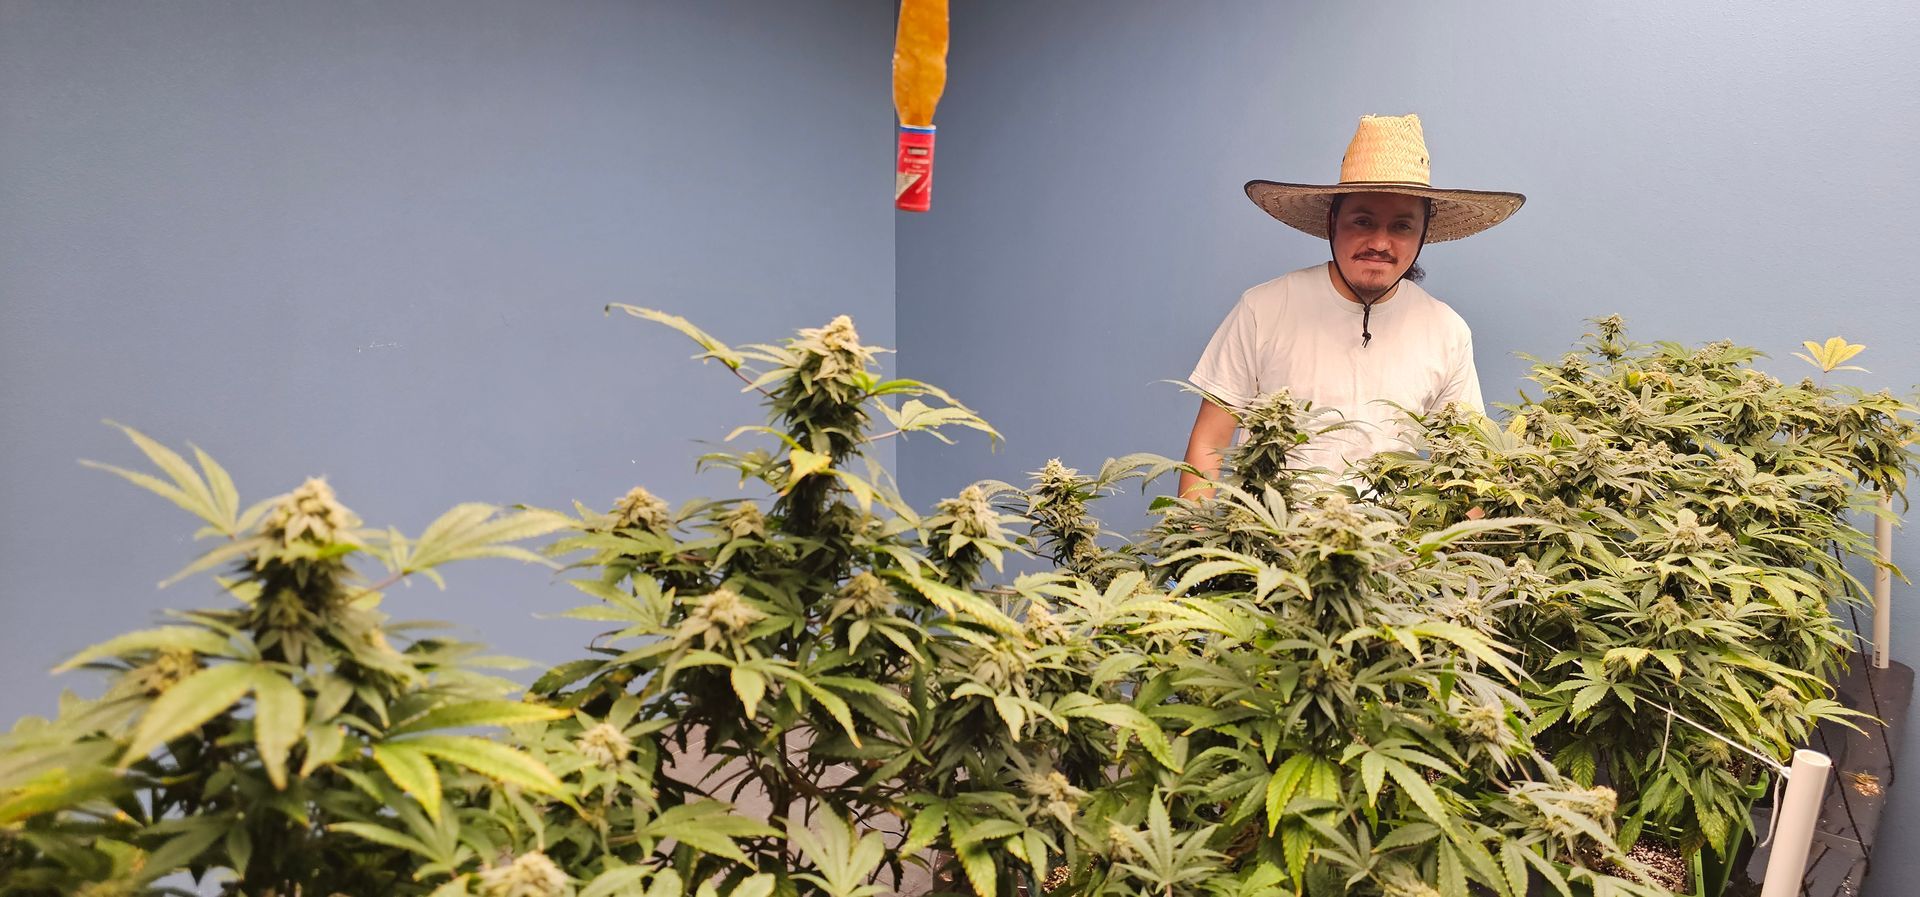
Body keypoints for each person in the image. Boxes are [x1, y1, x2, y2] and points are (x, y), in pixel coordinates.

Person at [1177, 113, 1525, 498]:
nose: (1380, 242)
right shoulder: (1264, 308)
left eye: (1401, 226)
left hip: (1392, 553)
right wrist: (1192, 547)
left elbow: (1468, 467)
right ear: (1332, 222)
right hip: (1268, 548)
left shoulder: (1447, 331)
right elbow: (1210, 441)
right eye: (1363, 221)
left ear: (1422, 233)